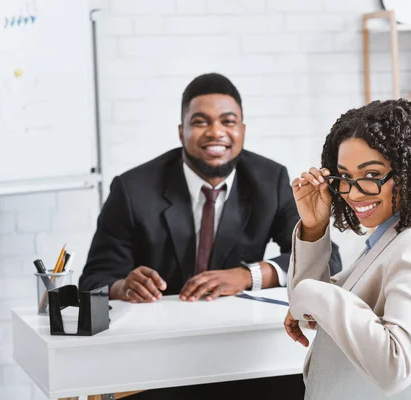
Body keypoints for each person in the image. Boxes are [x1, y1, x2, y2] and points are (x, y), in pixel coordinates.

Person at [79, 73, 342, 399]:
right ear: (182, 132)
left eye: (228, 121)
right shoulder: (133, 189)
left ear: (242, 131)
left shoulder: (269, 180)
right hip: (157, 360)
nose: (216, 132)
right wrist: (122, 286)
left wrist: (249, 275)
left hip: (239, 353)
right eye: (201, 122)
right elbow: (93, 280)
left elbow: (327, 257)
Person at [284, 98, 411, 399]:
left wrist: (309, 293)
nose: (352, 192)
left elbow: (394, 367)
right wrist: (314, 226)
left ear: (409, 174)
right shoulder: (391, 240)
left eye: (372, 175)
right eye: (344, 177)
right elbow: (312, 313)